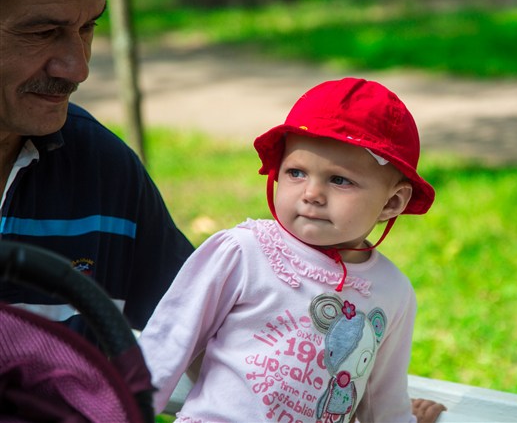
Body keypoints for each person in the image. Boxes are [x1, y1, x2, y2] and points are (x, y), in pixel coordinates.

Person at [140, 78, 442, 422]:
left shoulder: (391, 291)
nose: (312, 193)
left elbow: (381, 401)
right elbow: (165, 347)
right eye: (296, 172)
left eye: (339, 180)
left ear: (392, 202)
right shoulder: (244, 253)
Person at [0, 0, 194, 336]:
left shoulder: (103, 169)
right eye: (43, 32)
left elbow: (199, 339)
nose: (78, 69)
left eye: (88, 27)